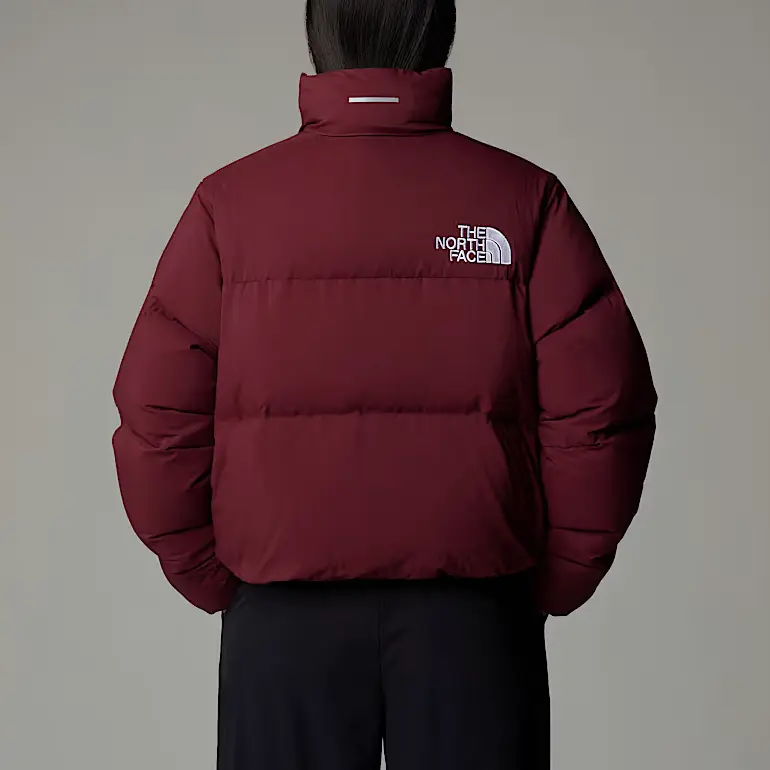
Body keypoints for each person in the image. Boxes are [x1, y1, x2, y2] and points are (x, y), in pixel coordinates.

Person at [112, 1, 657, 767]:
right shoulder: (523, 198)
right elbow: (602, 411)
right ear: (439, 32)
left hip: (282, 621)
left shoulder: (228, 205)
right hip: (474, 618)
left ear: (316, 36)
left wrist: (214, 576)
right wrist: (553, 580)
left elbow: (156, 415)